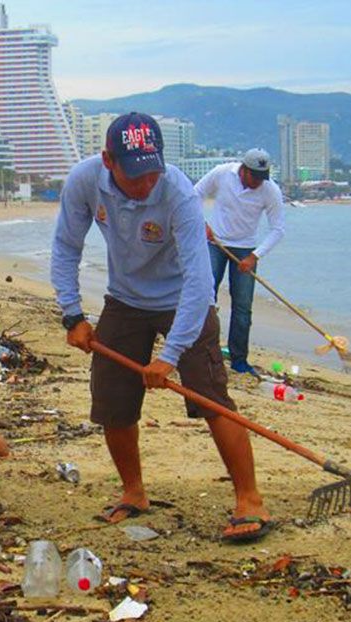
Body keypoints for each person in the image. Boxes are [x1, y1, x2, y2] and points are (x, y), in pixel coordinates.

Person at [51, 112, 272, 541]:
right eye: (135, 175)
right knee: (112, 399)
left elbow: (199, 279)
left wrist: (170, 357)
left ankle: (250, 500)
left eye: (152, 172)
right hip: (126, 298)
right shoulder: (84, 181)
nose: (145, 184)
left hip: (182, 299)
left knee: (211, 396)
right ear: (108, 160)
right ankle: (133, 493)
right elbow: (65, 245)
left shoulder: (178, 192)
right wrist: (73, 314)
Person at [194, 149, 285, 374]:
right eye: (254, 177)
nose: (258, 183)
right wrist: (202, 223)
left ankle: (239, 359)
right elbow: (195, 194)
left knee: (243, 307)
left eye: (262, 178)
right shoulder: (222, 173)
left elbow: (278, 229)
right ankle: (202, 350)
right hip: (214, 243)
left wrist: (255, 256)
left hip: (246, 250)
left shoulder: (270, 190)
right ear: (243, 170)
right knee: (205, 297)